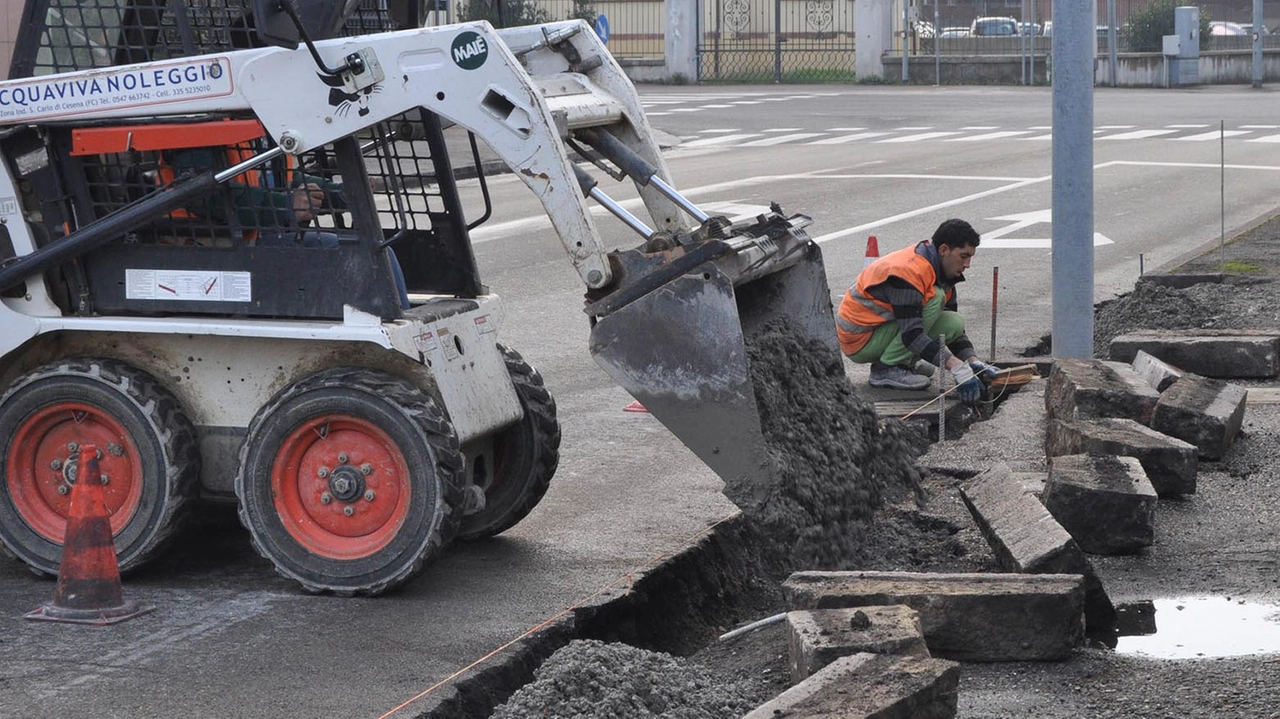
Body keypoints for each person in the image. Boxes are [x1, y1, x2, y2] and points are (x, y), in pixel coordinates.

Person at [835, 218, 998, 404]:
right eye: (963, 256)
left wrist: (971, 360)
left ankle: (904, 363)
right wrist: (955, 365)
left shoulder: (942, 273)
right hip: (860, 339)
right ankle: (886, 369)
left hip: (881, 329)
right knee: (934, 297)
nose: (967, 264)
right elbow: (911, 334)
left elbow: (953, 329)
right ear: (944, 250)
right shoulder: (909, 273)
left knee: (954, 321)